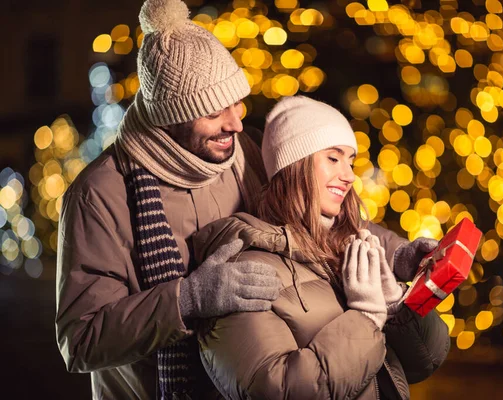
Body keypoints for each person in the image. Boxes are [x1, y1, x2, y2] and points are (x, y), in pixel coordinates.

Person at [55, 0, 441, 399]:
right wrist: (187, 299)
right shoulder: (99, 195)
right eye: (214, 111)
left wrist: (396, 255)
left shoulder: (247, 153)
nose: (236, 122)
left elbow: (316, 217)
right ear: (171, 115)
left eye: (236, 102)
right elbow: (81, 339)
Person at [191, 96, 450, 399]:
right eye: (333, 158)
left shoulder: (347, 252)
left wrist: (394, 304)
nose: (349, 174)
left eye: (351, 161)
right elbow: (279, 389)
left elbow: (425, 362)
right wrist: (365, 318)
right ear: (294, 165)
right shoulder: (242, 270)